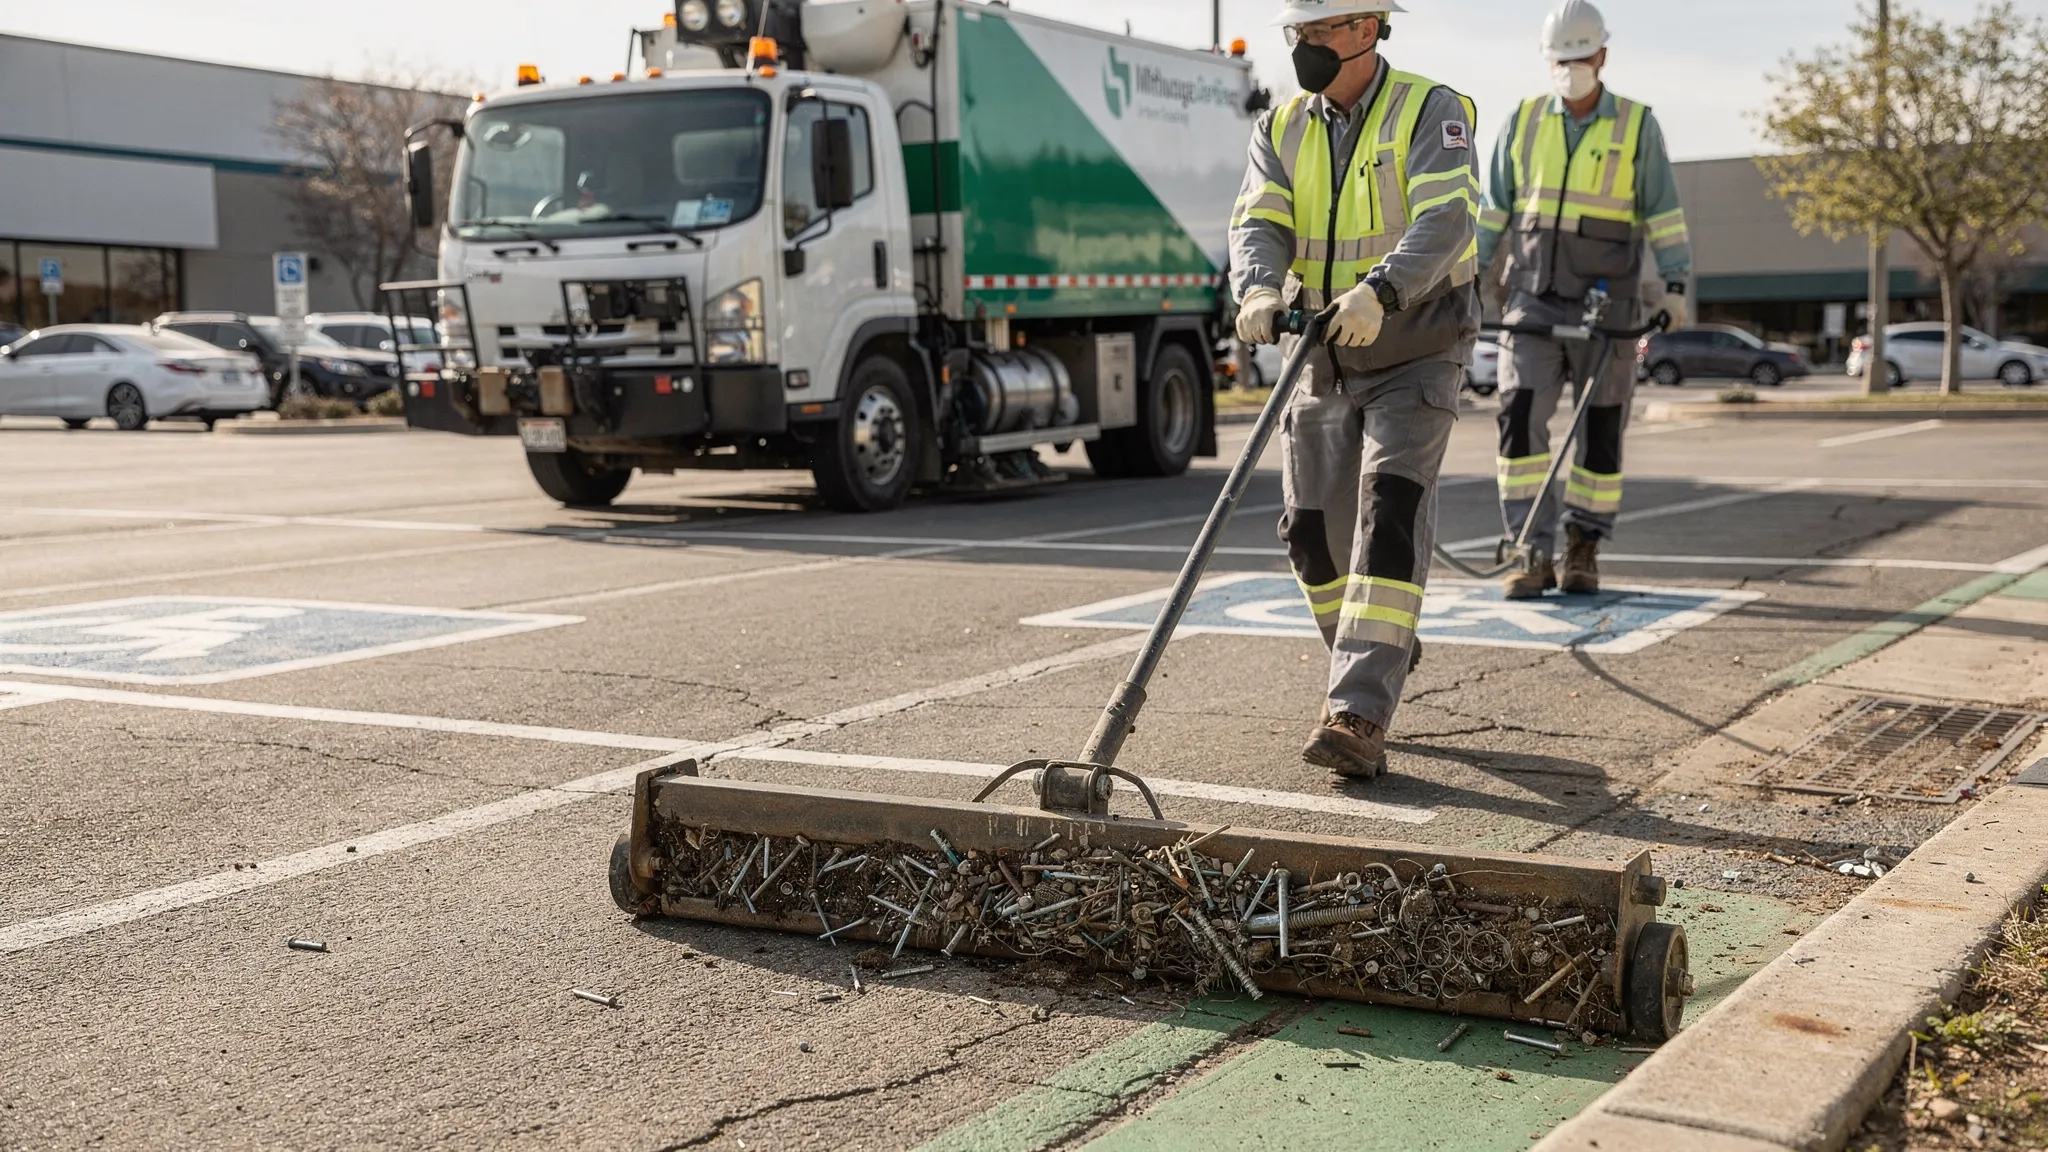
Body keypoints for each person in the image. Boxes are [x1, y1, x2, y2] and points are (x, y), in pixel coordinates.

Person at [1230, 0, 1480, 780]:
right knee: (1309, 533)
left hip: (1417, 342)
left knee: (1389, 510)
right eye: (1296, 33)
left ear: (1366, 30)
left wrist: (1383, 289)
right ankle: (1381, 647)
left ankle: (1359, 710)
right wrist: (1260, 288)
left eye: (1317, 31)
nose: (1302, 45)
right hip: (1322, 351)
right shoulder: (1282, 126)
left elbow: (1448, 217)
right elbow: (1258, 222)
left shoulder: (1430, 109)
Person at [1476, 0, 1692, 599]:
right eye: (1560, 59)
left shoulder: (1636, 125)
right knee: (1519, 422)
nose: (1570, 68)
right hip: (1534, 300)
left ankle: (1584, 548)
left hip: (1610, 307)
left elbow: (1664, 213)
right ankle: (1530, 550)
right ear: (1549, 61)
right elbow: (1492, 211)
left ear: (1602, 55)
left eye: (1580, 57)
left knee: (1600, 431)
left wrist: (1674, 286)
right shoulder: (1521, 122)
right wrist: (1463, 277)